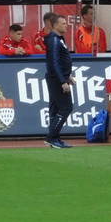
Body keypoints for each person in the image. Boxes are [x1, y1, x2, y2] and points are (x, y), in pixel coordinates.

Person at [44, 13, 75, 148]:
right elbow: (54, 62)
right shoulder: (54, 41)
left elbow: (61, 61)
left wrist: (67, 76)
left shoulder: (58, 39)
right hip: (56, 79)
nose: (66, 26)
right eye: (63, 23)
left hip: (58, 77)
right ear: (55, 25)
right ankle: (52, 137)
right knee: (66, 107)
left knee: (55, 109)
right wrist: (62, 81)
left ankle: (54, 138)